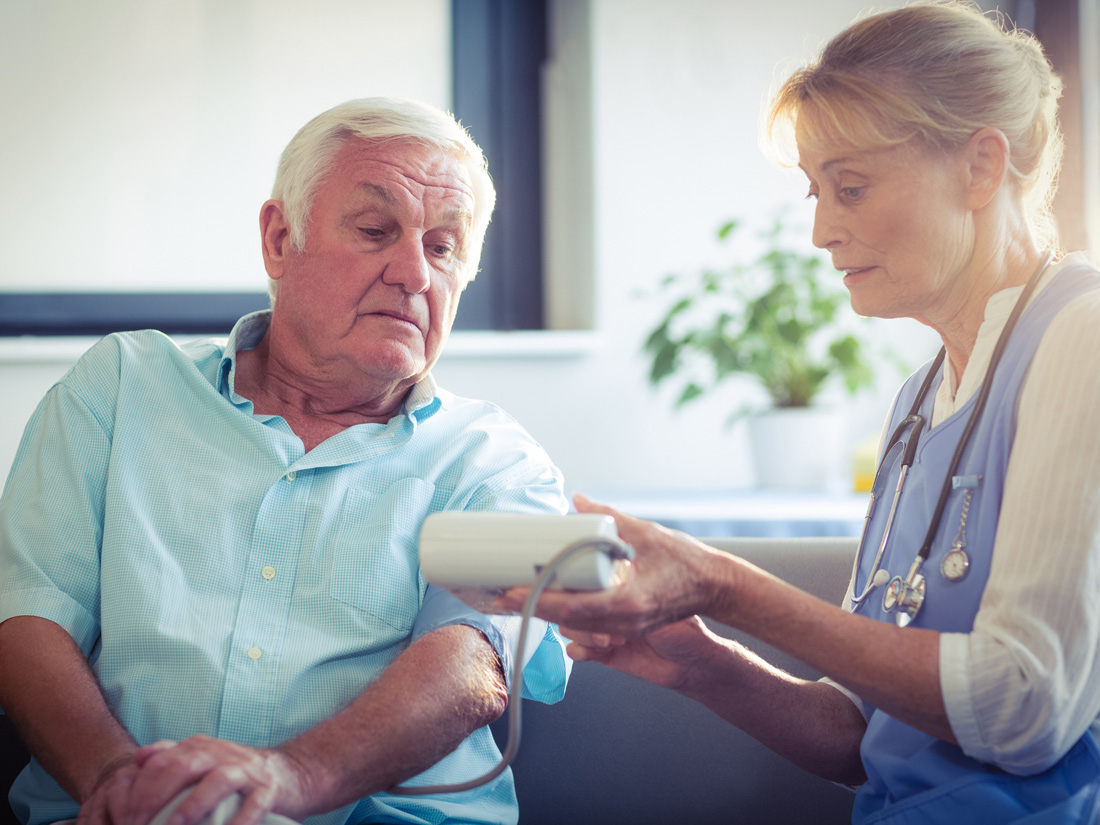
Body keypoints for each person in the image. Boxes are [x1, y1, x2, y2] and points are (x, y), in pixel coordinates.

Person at [500, 3, 1100, 822]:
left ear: (981, 168)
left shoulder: (1083, 333)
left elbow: (1024, 710)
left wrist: (722, 583)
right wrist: (698, 659)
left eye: (850, 187)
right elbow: (867, 739)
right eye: (816, 192)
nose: (820, 230)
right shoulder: (917, 404)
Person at [0, 97, 571, 825]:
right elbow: (27, 613)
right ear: (279, 239)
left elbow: (476, 657)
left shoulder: (501, 462)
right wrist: (124, 791)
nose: (413, 274)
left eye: (443, 248)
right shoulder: (118, 387)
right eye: (375, 230)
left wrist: (290, 778)